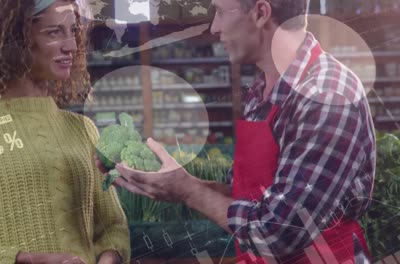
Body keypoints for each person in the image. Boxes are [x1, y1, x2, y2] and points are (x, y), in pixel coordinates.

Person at [109, 0, 376, 263]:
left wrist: (189, 191)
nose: (214, 27)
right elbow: (252, 198)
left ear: (261, 13)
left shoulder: (326, 95)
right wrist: (178, 183)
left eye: (222, 12)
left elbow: (278, 234)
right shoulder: (262, 89)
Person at [0, 0, 130, 263]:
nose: (71, 46)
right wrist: (24, 259)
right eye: (53, 32)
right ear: (17, 40)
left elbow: (113, 227)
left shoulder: (82, 129)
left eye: (73, 32)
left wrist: (108, 258)